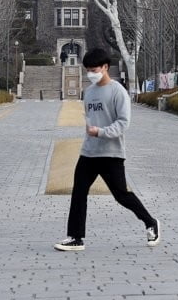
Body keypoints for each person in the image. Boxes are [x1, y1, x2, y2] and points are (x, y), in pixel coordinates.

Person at [54, 47, 160, 252]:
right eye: (88, 70)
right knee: (79, 192)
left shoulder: (118, 91)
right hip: (89, 152)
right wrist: (91, 134)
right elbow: (90, 119)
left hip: (111, 153)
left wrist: (101, 132)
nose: (91, 74)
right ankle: (76, 237)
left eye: (95, 69)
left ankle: (150, 222)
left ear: (105, 67)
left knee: (121, 195)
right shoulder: (90, 92)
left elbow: (123, 123)